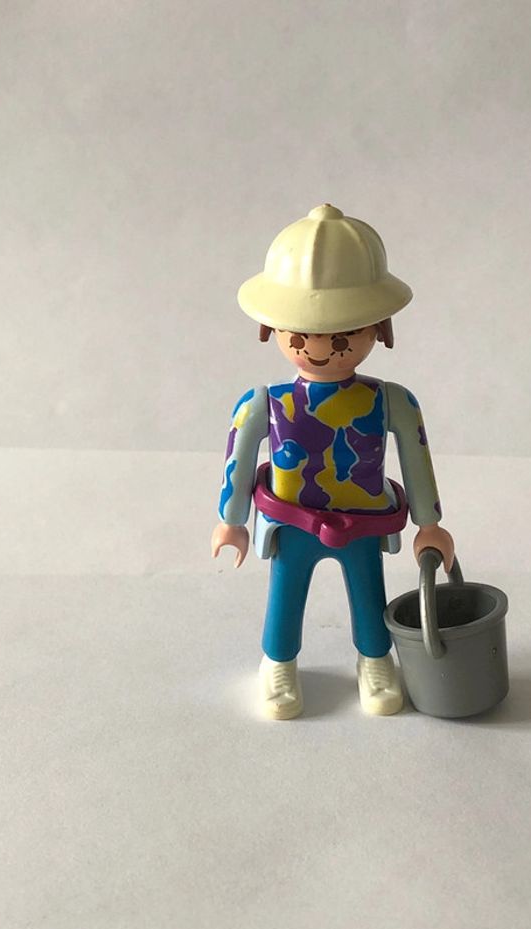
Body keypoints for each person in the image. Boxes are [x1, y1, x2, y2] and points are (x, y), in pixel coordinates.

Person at [211, 204, 454, 719]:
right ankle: (278, 662)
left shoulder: (390, 401)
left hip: (363, 521)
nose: (319, 350)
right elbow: (239, 459)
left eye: (342, 337)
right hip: (291, 521)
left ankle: (375, 659)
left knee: (369, 596)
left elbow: (416, 457)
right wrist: (231, 521)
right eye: (300, 337)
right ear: (272, 330)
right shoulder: (265, 403)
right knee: (285, 596)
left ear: (378, 330)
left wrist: (429, 525)